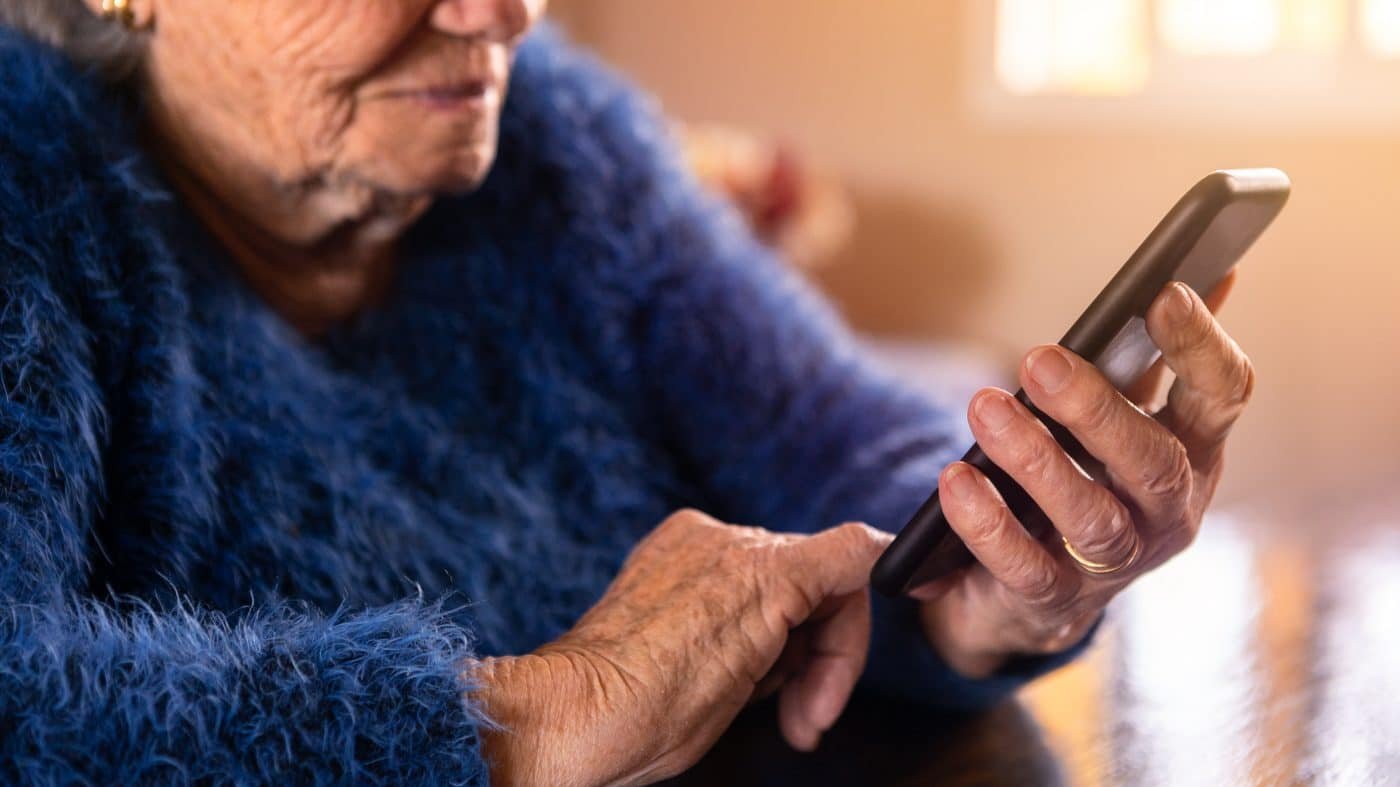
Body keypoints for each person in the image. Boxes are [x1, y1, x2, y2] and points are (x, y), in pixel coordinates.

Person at [0, 1, 1256, 784]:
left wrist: (984, 582)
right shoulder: (24, 186)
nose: (502, 17)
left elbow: (827, 426)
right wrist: (526, 721)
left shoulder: (555, 140)